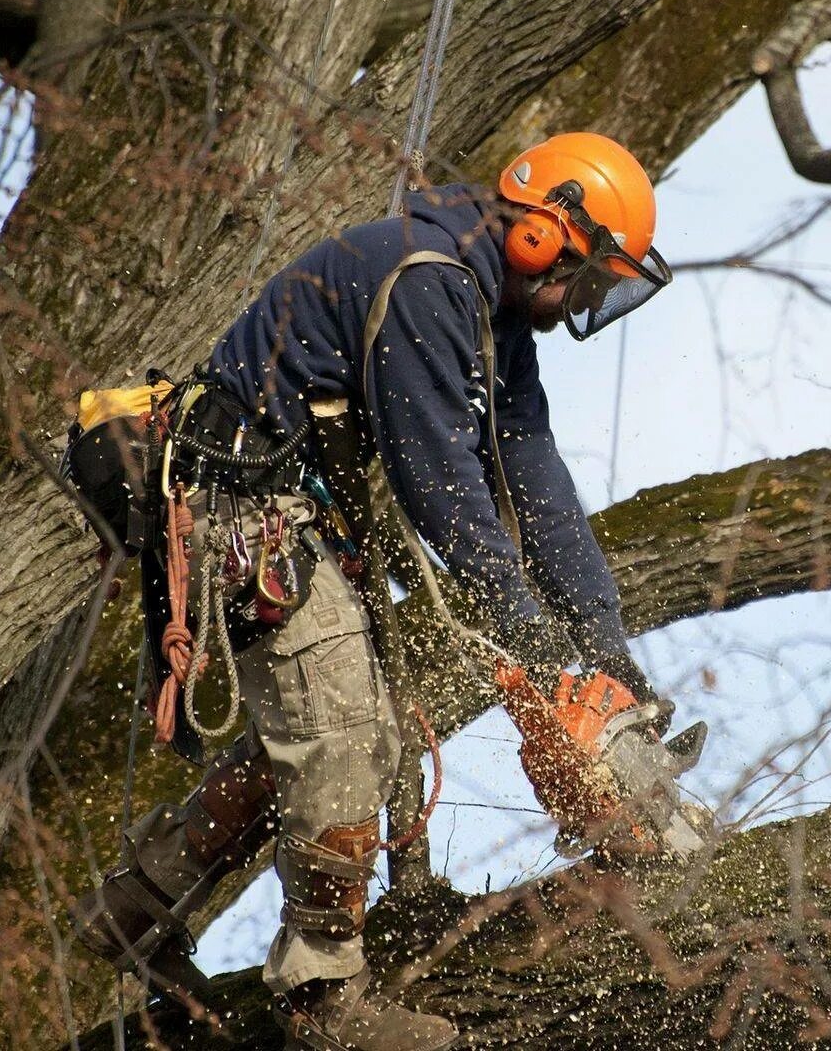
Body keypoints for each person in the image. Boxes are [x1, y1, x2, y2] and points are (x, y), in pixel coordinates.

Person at [68, 133, 672, 1051]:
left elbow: (532, 472)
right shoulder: (431, 279)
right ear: (544, 234)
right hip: (241, 500)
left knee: (348, 731)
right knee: (341, 729)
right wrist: (539, 650)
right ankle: (324, 1000)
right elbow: (446, 493)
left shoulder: (492, 310)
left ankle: (135, 906)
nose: (571, 310)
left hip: (292, 510)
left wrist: (604, 646)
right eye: (581, 283)